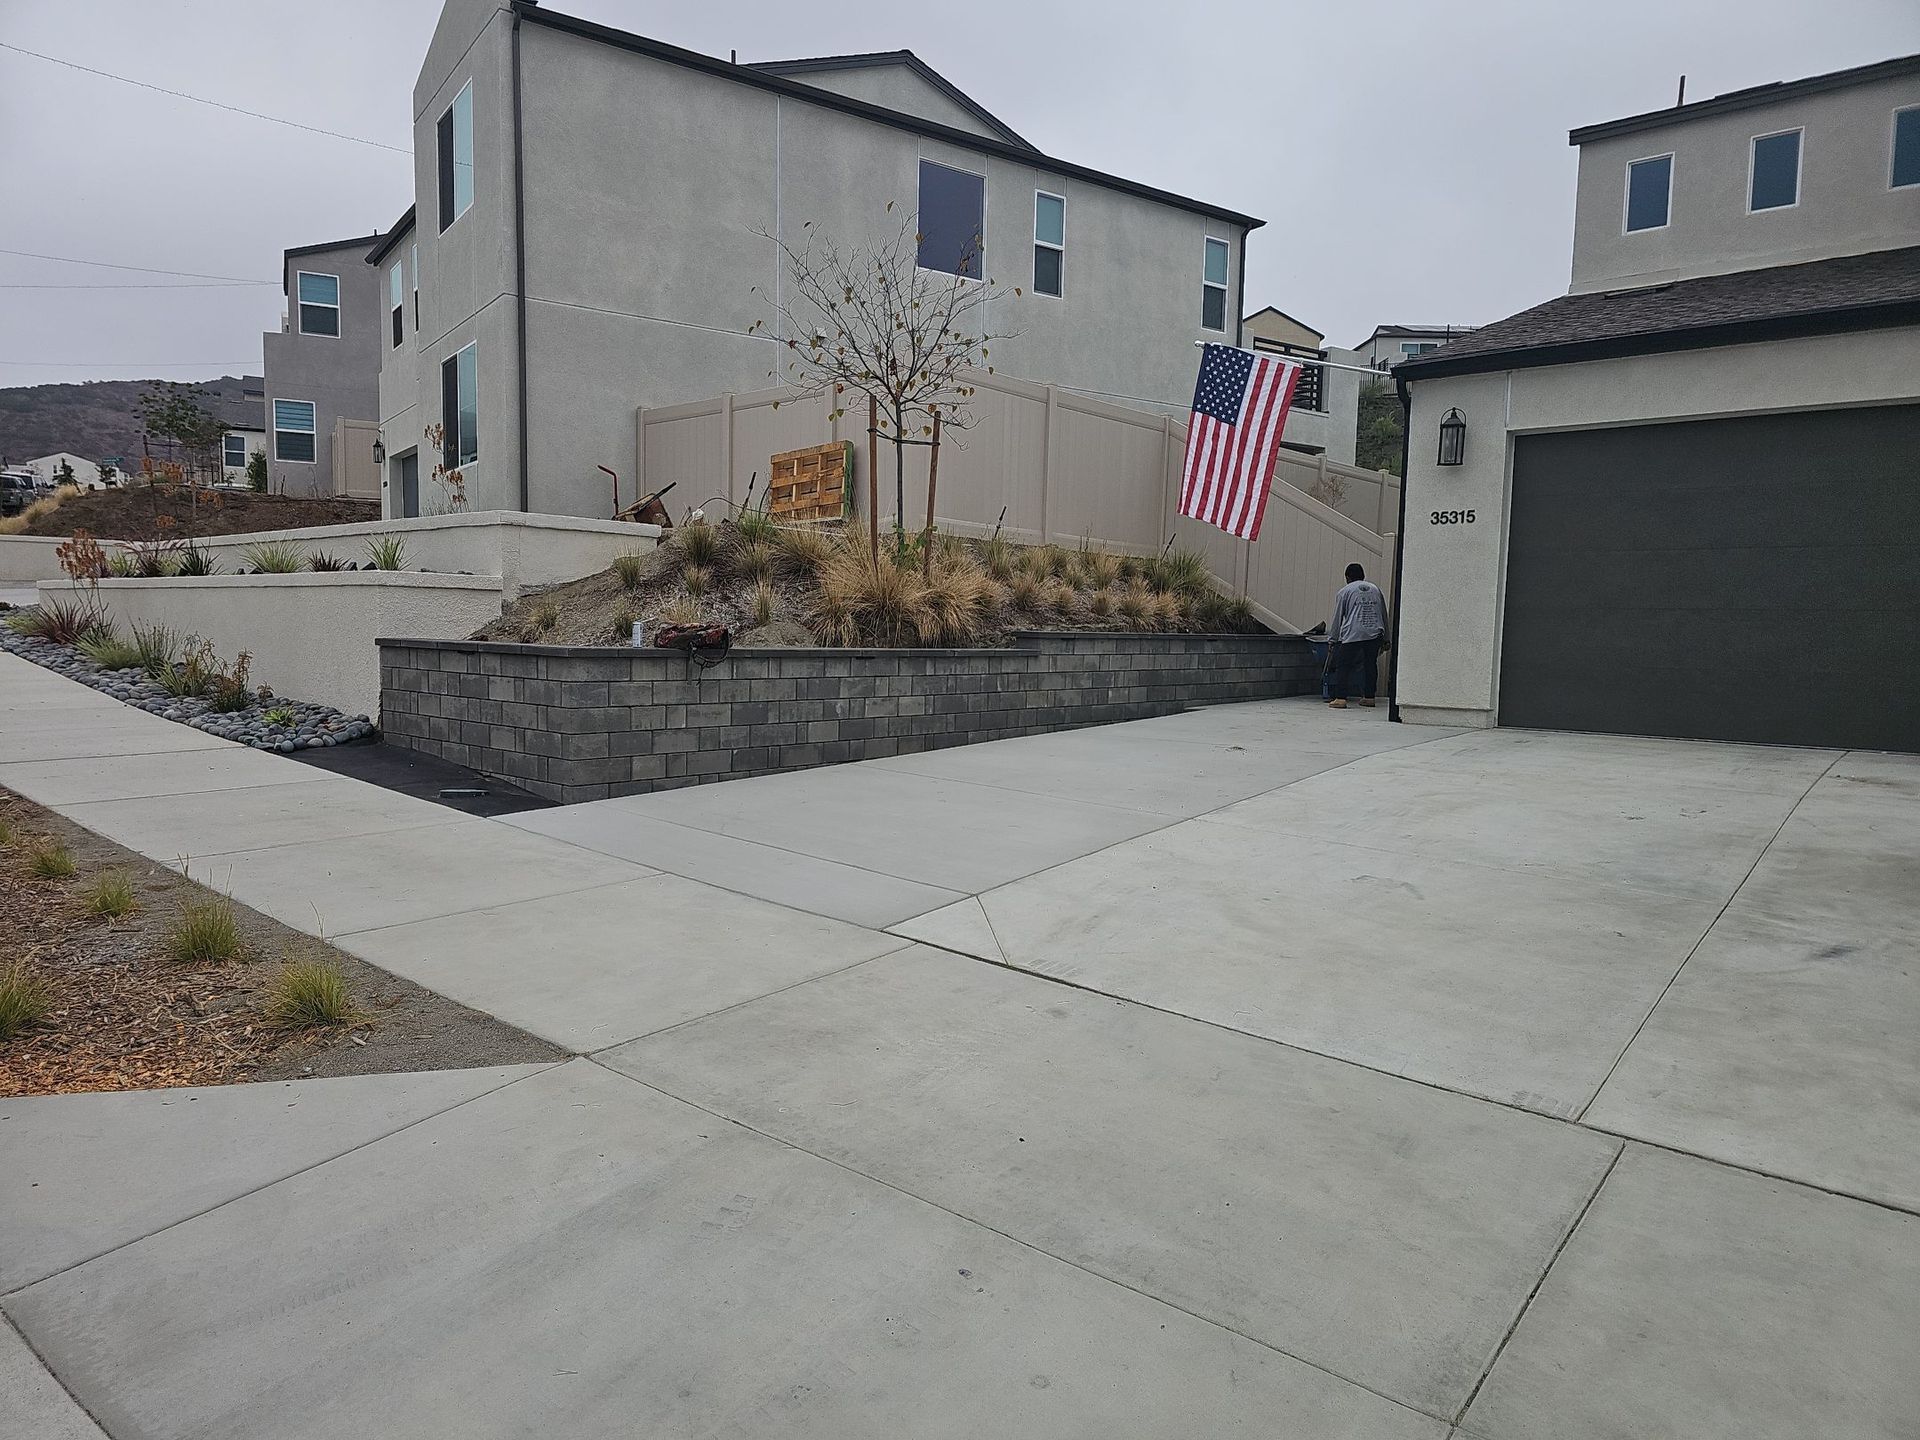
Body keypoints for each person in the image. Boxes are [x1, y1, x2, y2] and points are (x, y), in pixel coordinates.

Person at [1325, 562, 1387, 709]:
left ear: (1347, 577)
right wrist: (1387, 638)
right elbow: (1383, 614)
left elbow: (1338, 617)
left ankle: (1341, 698)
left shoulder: (1345, 591)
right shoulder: (1376, 589)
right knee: (1370, 664)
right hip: (1374, 632)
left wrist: (1332, 639)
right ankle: (1369, 697)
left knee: (1343, 664)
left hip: (1353, 633)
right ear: (1363, 576)